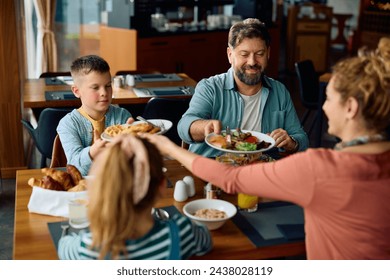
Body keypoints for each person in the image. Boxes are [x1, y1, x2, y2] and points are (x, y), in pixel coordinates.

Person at [142, 38, 390, 260]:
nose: (323, 107)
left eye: (329, 98)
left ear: (350, 108)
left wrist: (165, 145)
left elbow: (231, 178)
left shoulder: (321, 168)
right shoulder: (211, 86)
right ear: (230, 54)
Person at [58, 135, 212, 260]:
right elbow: (206, 241)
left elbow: (63, 246)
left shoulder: (90, 247)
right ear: (162, 187)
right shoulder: (181, 231)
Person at [178, 18, 309, 157]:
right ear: (230, 55)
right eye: (244, 54)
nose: (252, 62)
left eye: (259, 54)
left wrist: (291, 142)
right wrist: (204, 127)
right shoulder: (210, 87)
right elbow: (184, 126)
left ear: (268, 53)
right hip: (213, 167)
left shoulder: (279, 91)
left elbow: (301, 138)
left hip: (260, 170)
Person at [57, 55, 133, 176]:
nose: (104, 93)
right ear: (77, 91)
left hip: (118, 184)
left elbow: (131, 163)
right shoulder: (68, 124)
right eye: (95, 87)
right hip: (85, 189)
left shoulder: (123, 116)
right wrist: (92, 153)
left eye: (108, 85)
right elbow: (75, 169)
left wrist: (135, 144)